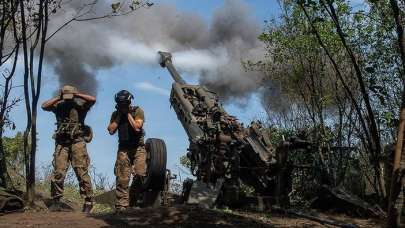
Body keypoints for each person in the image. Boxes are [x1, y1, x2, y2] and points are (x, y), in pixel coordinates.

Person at [41, 85, 96, 213]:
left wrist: (77, 94)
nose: (68, 99)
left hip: (77, 141)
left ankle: (88, 201)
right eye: (66, 97)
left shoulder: (80, 106)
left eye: (69, 96)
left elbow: (92, 100)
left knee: (81, 171)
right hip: (62, 142)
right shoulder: (58, 105)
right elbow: (44, 106)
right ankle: (56, 201)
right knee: (58, 172)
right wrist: (58, 97)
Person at [107, 90, 146, 212]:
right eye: (120, 104)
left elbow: (136, 127)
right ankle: (122, 205)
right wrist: (120, 115)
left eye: (124, 104)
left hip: (138, 148)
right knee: (122, 177)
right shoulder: (115, 114)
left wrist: (128, 114)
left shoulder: (137, 111)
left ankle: (133, 200)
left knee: (140, 174)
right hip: (123, 149)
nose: (122, 106)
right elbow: (111, 130)